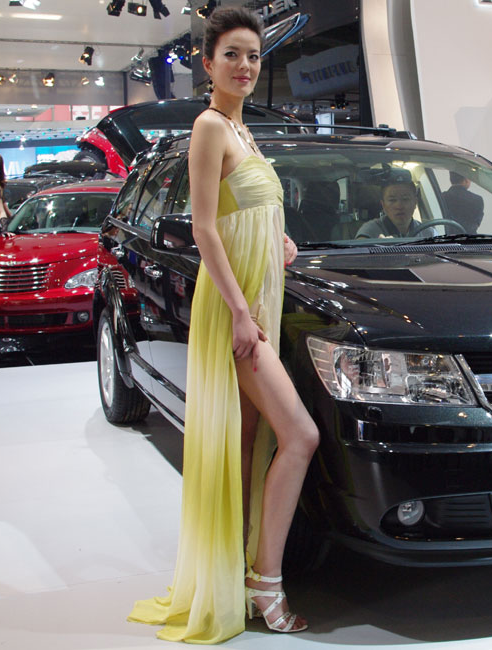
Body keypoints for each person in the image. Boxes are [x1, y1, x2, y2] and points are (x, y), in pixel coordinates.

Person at [127, 7, 318, 643]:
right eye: (231, 54)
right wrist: (239, 311)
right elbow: (205, 227)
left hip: (258, 295)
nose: (244, 66)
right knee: (300, 436)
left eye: (254, 55)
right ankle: (267, 582)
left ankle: (232, 572)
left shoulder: (245, 130)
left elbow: (245, 212)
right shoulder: (209, 126)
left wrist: (278, 237)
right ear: (207, 64)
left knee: (246, 441)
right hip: (236, 309)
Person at [356, 180, 431, 238]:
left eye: (405, 199)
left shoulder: (428, 232)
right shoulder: (370, 230)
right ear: (383, 205)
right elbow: (358, 251)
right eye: (392, 200)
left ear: (415, 202)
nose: (399, 206)